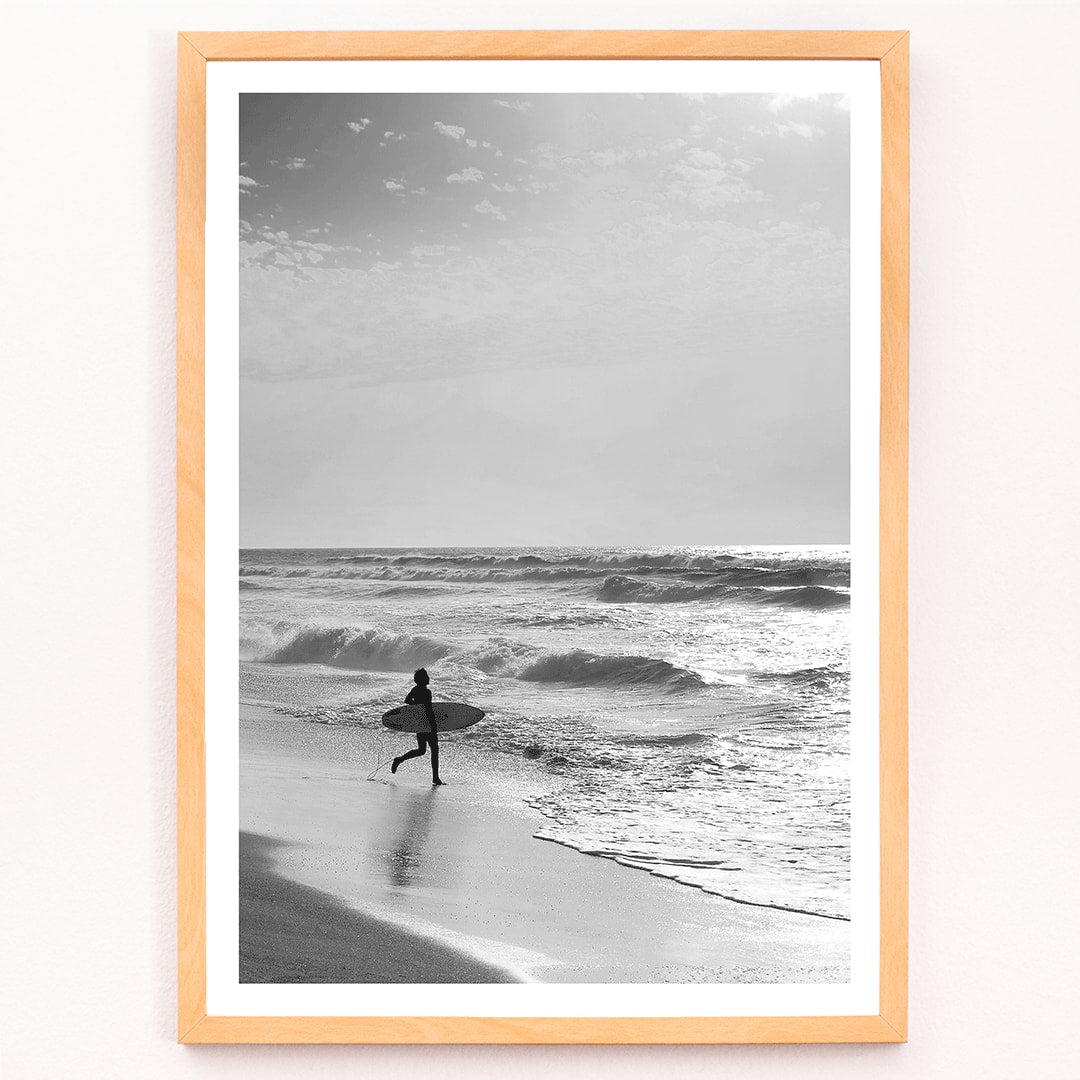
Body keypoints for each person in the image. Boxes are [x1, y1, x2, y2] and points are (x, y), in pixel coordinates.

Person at [391, 668, 443, 785]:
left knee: (421, 750)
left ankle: (399, 759)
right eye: (426, 677)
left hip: (419, 724)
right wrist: (433, 725)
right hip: (427, 724)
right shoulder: (427, 692)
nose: (428, 678)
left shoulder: (415, 689)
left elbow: (407, 700)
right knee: (434, 750)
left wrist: (416, 705)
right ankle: (435, 778)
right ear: (423, 679)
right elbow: (428, 710)